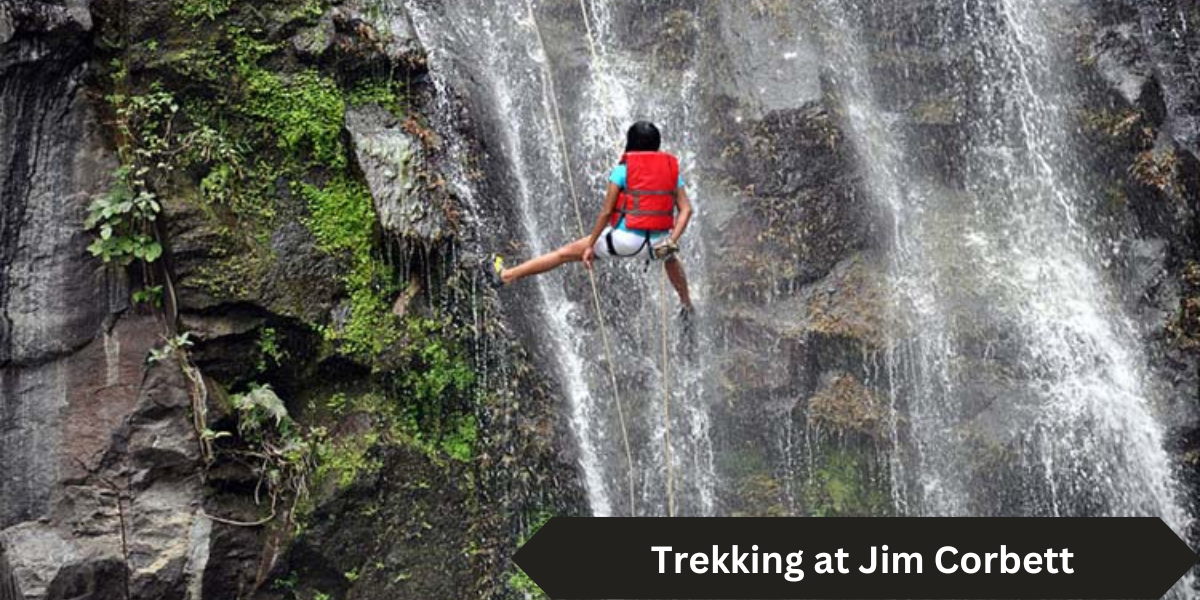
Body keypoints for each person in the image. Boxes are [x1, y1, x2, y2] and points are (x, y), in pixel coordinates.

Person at [486, 121, 695, 314]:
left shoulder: (622, 171)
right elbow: (686, 210)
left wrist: (590, 245)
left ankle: (506, 275)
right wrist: (671, 241)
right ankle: (686, 304)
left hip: (623, 242)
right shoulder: (672, 174)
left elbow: (606, 212)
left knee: (563, 254)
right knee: (671, 258)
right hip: (656, 246)